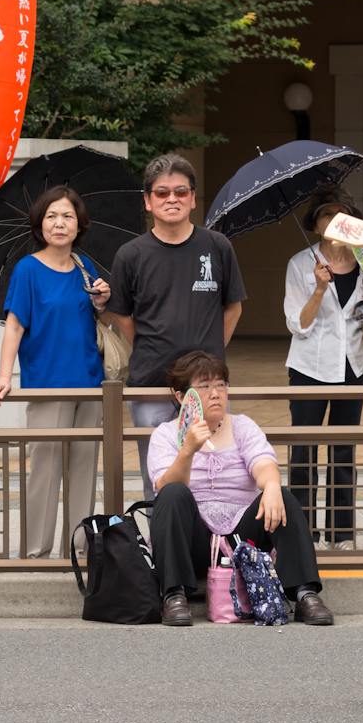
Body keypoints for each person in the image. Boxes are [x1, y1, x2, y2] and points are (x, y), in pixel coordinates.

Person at [148, 351, 333, 627]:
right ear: (181, 396)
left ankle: (305, 594)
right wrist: (188, 449)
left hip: (242, 540)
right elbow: (164, 486)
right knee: (173, 494)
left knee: (282, 496)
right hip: (195, 543)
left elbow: (264, 463)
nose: (215, 393)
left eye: (221, 384)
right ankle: (174, 596)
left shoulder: (243, 426)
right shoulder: (165, 435)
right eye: (205, 386)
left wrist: (270, 484)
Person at [0, 186, 110, 558]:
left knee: (84, 475)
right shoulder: (28, 270)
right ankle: (35, 553)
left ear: (79, 224)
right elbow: (15, 327)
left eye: (67, 216)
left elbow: (97, 323)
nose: (59, 223)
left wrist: (102, 301)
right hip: (48, 385)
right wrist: (4, 377)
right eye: (51, 216)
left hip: (89, 385)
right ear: (39, 223)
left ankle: (79, 552)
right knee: (44, 474)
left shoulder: (86, 267)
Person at [106, 154, 246, 504]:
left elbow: (233, 307)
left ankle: (206, 549)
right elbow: (123, 316)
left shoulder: (217, 246)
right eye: (162, 192)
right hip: (151, 385)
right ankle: (160, 550)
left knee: (213, 471)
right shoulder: (130, 255)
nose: (172, 199)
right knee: (158, 477)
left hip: (207, 387)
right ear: (148, 201)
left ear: (193, 198)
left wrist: (210, 353)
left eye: (181, 192)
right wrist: (153, 348)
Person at [284, 188, 363, 550]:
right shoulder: (301, 263)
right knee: (304, 451)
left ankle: (341, 535)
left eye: (342, 213)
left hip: (353, 364)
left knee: (343, 448)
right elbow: (297, 324)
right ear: (315, 225)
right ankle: (304, 535)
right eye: (327, 214)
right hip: (309, 368)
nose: (335, 220)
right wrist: (318, 289)